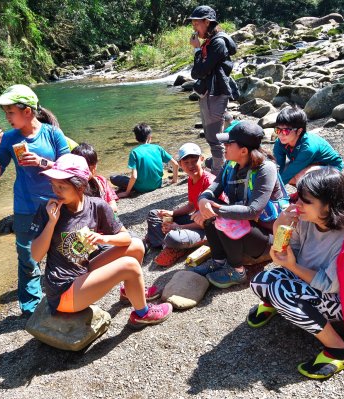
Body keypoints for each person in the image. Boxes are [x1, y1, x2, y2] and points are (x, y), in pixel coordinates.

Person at [247, 167, 344, 379]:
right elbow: (290, 250)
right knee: (259, 282)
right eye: (298, 198)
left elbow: (329, 284)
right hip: (307, 282)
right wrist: (279, 226)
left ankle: (339, 350)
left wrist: (293, 266)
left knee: (280, 291)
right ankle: (280, 302)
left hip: (339, 301)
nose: (297, 205)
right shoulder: (307, 220)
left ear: (328, 205)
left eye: (306, 201)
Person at [29, 154, 172, 328]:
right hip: (63, 291)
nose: (55, 191)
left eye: (61, 186)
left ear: (80, 186)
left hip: (82, 271)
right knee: (129, 265)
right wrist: (51, 223)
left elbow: (125, 237)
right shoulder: (48, 210)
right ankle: (143, 314)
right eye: (53, 185)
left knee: (135, 245)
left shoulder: (96, 205)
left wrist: (103, 238)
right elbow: (35, 256)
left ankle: (130, 292)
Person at [0, 84, 70, 316]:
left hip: (56, 204)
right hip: (25, 207)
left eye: (10, 112)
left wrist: (43, 162)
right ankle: (31, 309)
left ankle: (64, 293)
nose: (7, 118)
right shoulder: (9, 139)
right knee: (27, 258)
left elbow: (70, 169)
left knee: (61, 251)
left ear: (27, 111)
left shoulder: (52, 133)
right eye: (5, 113)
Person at [192, 121, 287, 288]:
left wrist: (214, 209)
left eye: (228, 143)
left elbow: (253, 211)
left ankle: (237, 271)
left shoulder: (266, 169)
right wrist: (203, 201)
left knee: (222, 216)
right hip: (246, 229)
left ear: (243, 151)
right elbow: (212, 189)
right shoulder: (231, 164)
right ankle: (219, 261)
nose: (224, 146)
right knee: (212, 209)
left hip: (269, 237)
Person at [146, 143, 215, 267]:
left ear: (202, 159)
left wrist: (179, 227)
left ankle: (166, 242)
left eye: (194, 161)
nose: (191, 166)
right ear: (180, 163)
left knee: (173, 237)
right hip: (196, 220)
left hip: (208, 229)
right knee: (154, 213)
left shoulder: (209, 182)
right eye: (186, 162)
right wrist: (172, 213)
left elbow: (210, 220)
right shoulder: (191, 179)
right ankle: (167, 244)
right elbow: (191, 206)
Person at [188, 5, 238, 175]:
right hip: (211, 93)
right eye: (193, 24)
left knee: (213, 139)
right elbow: (199, 71)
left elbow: (199, 71)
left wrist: (196, 49)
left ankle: (218, 176)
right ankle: (229, 161)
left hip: (214, 93)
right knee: (216, 132)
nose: (194, 28)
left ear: (207, 22)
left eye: (196, 24)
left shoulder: (217, 43)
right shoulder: (211, 42)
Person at [274, 105, 344, 186]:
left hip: (331, 167)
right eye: (278, 130)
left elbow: (293, 170)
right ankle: (302, 193)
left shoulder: (308, 147)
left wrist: (273, 188)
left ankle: (310, 195)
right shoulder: (280, 142)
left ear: (299, 131)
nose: (281, 135)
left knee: (301, 176)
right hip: (309, 163)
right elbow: (278, 166)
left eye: (286, 131)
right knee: (277, 171)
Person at [109, 123, 179, 198]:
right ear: (149, 137)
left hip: (140, 188)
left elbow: (134, 176)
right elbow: (175, 164)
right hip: (157, 185)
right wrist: (174, 180)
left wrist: (126, 192)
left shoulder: (134, 152)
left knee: (113, 178)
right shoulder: (158, 148)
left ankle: (130, 188)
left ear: (136, 138)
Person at [72, 143, 119, 213]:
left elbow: (114, 206)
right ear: (95, 165)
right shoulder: (101, 181)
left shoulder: (101, 181)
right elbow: (113, 206)